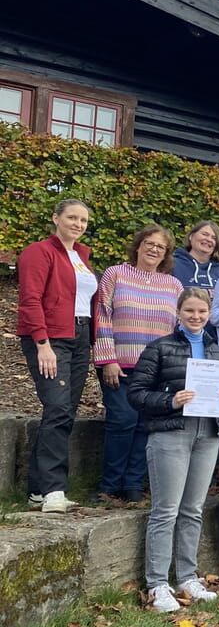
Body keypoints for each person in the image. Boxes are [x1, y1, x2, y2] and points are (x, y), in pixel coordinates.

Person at [128, 287, 219, 612]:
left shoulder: (218, 352)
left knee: (193, 509)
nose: (196, 317)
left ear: (208, 313)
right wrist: (170, 401)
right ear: (178, 312)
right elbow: (136, 393)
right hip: (171, 433)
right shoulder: (160, 348)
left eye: (201, 312)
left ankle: (187, 576)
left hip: (208, 433)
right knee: (166, 511)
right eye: (190, 311)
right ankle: (157, 584)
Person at [93, 224, 184, 506]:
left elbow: (179, 327)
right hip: (119, 364)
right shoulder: (115, 274)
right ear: (138, 245)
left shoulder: (174, 285)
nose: (154, 249)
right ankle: (109, 487)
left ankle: (133, 487)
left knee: (145, 425)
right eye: (149, 243)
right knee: (122, 420)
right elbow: (102, 316)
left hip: (156, 369)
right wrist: (107, 359)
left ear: (166, 253)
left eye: (160, 246)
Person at [18, 198, 96, 512]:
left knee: (63, 411)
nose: (78, 224)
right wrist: (42, 342)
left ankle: (38, 490)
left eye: (83, 220)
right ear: (56, 218)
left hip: (80, 337)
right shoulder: (39, 252)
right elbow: (30, 299)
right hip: (51, 338)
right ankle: (53, 490)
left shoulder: (81, 256)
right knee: (58, 407)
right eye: (72, 218)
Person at [172, 221, 219, 290]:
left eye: (214, 238)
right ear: (191, 236)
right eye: (204, 234)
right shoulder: (171, 265)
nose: (209, 239)